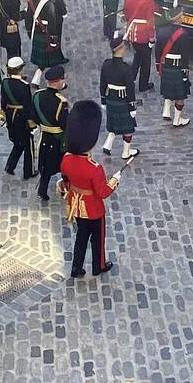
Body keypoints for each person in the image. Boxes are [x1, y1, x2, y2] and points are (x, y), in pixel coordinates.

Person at [59, 99, 126, 279]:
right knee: (98, 240)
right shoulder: (94, 168)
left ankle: (76, 268)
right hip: (94, 210)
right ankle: (99, 265)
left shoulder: (66, 159)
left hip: (76, 207)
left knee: (81, 239)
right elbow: (103, 192)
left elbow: (65, 181)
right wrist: (114, 180)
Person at [33, 65, 70, 201]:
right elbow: (65, 124)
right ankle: (65, 188)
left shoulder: (37, 95)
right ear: (58, 82)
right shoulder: (61, 102)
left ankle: (42, 191)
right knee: (65, 164)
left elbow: (34, 116)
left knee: (45, 165)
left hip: (44, 136)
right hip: (58, 138)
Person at [99, 34, 139, 160]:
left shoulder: (106, 64)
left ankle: (108, 145)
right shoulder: (126, 68)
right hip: (123, 100)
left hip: (110, 99)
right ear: (120, 49)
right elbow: (130, 89)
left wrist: (103, 100)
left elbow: (102, 84)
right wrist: (132, 106)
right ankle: (126, 152)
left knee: (114, 123)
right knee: (127, 127)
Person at [154, 0, 193, 127]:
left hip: (165, 65)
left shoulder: (161, 32)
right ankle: (177, 119)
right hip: (177, 66)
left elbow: (158, 51)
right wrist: (185, 69)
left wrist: (158, 65)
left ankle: (166, 111)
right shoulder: (183, 34)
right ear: (178, 18)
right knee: (180, 95)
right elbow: (185, 56)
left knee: (168, 88)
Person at [0, 56, 37, 179]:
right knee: (28, 146)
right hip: (21, 118)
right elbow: (28, 105)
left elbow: (3, 101)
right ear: (20, 69)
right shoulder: (24, 85)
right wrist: (32, 121)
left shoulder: (5, 82)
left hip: (10, 116)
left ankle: (10, 166)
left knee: (17, 143)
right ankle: (28, 171)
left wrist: (3, 112)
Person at [24, 0, 65, 81]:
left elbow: (28, 18)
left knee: (42, 61)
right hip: (47, 35)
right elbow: (52, 22)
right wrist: (54, 40)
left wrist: (29, 32)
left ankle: (35, 80)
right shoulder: (48, 2)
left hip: (37, 33)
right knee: (54, 62)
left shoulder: (31, 0)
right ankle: (55, 81)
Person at [123, 0, 158, 96]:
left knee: (137, 57)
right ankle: (143, 84)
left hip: (132, 32)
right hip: (143, 35)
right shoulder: (148, 1)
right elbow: (150, 22)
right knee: (146, 61)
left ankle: (130, 79)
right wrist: (152, 38)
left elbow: (126, 15)